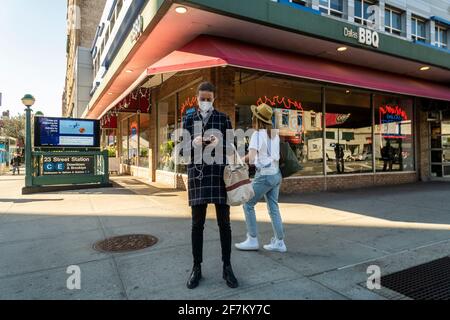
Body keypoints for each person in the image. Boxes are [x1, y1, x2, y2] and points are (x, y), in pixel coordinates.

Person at [182, 81, 238, 289]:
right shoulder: (188, 118)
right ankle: (196, 267)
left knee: (225, 224)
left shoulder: (223, 118)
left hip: (219, 176)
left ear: (214, 99)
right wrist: (193, 143)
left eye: (208, 99)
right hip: (197, 177)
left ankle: (227, 266)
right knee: (197, 225)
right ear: (196, 98)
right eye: (202, 98)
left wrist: (219, 143)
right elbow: (182, 151)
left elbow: (234, 147)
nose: (205, 102)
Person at [235, 103, 287, 253]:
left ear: (256, 118)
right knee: (273, 208)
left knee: (248, 204)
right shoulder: (275, 134)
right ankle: (279, 242)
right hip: (276, 174)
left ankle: (252, 239)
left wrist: (238, 159)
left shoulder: (257, 135)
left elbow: (251, 159)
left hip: (264, 175)